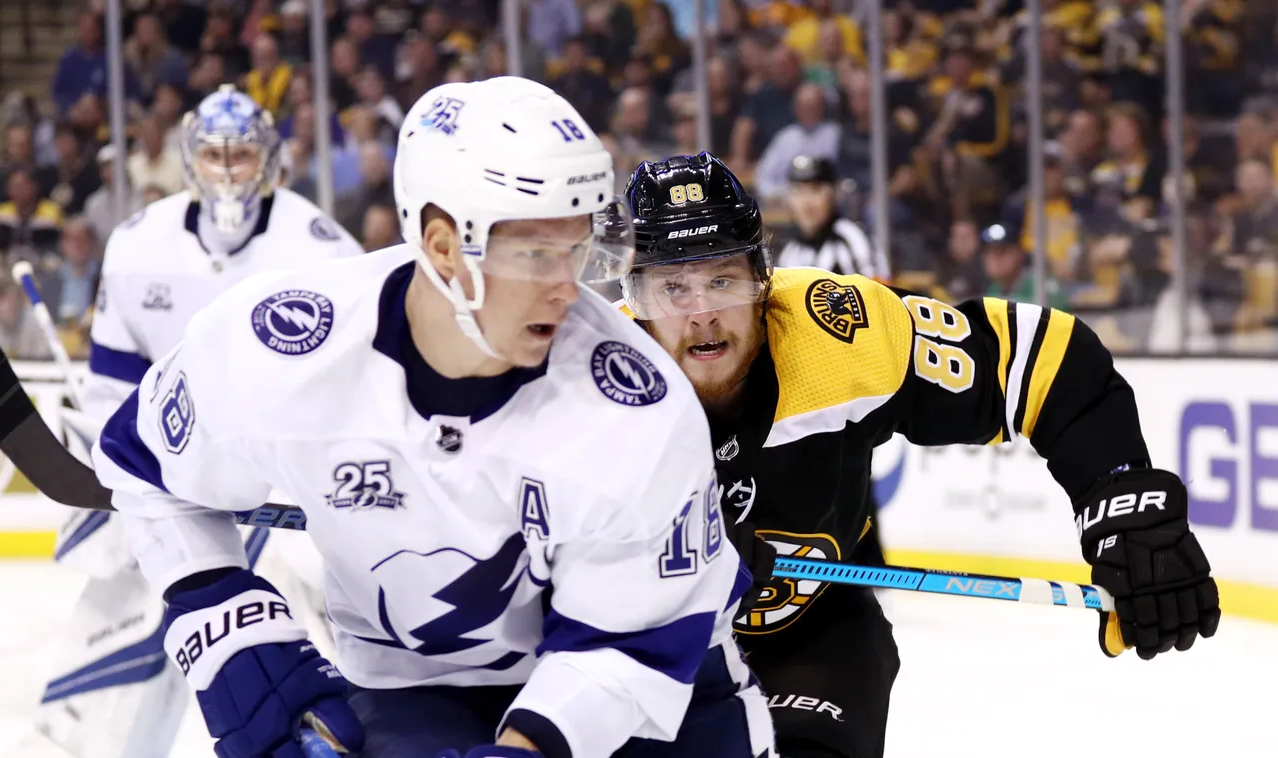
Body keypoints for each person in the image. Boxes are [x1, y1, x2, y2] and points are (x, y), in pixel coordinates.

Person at [85, 77, 771, 758]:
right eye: (534, 254)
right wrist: (227, 630)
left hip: (656, 695)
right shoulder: (278, 342)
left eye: (575, 249)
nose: (567, 287)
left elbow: (631, 646)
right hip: (415, 687)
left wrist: (527, 748)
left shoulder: (635, 409)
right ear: (443, 248)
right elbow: (148, 469)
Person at [619, 152, 1220, 758]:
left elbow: (1047, 362)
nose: (701, 315)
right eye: (672, 288)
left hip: (813, 641)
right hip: (642, 654)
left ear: (763, 280)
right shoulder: (584, 386)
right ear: (634, 299)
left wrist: (1121, 495)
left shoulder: (840, 339)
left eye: (722, 280)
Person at [26, 85, 365, 758]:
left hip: (280, 474)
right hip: (165, 466)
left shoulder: (324, 247)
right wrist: (109, 471)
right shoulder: (136, 244)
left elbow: (354, 392)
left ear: (270, 160)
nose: (230, 169)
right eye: (214, 155)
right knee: (123, 613)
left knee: (314, 636)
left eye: (243, 153)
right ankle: (73, 742)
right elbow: (112, 388)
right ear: (189, 161)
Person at [776, 155, 888, 280]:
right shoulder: (790, 250)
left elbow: (880, 295)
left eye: (815, 190)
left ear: (835, 194)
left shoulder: (854, 240)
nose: (806, 204)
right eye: (798, 192)